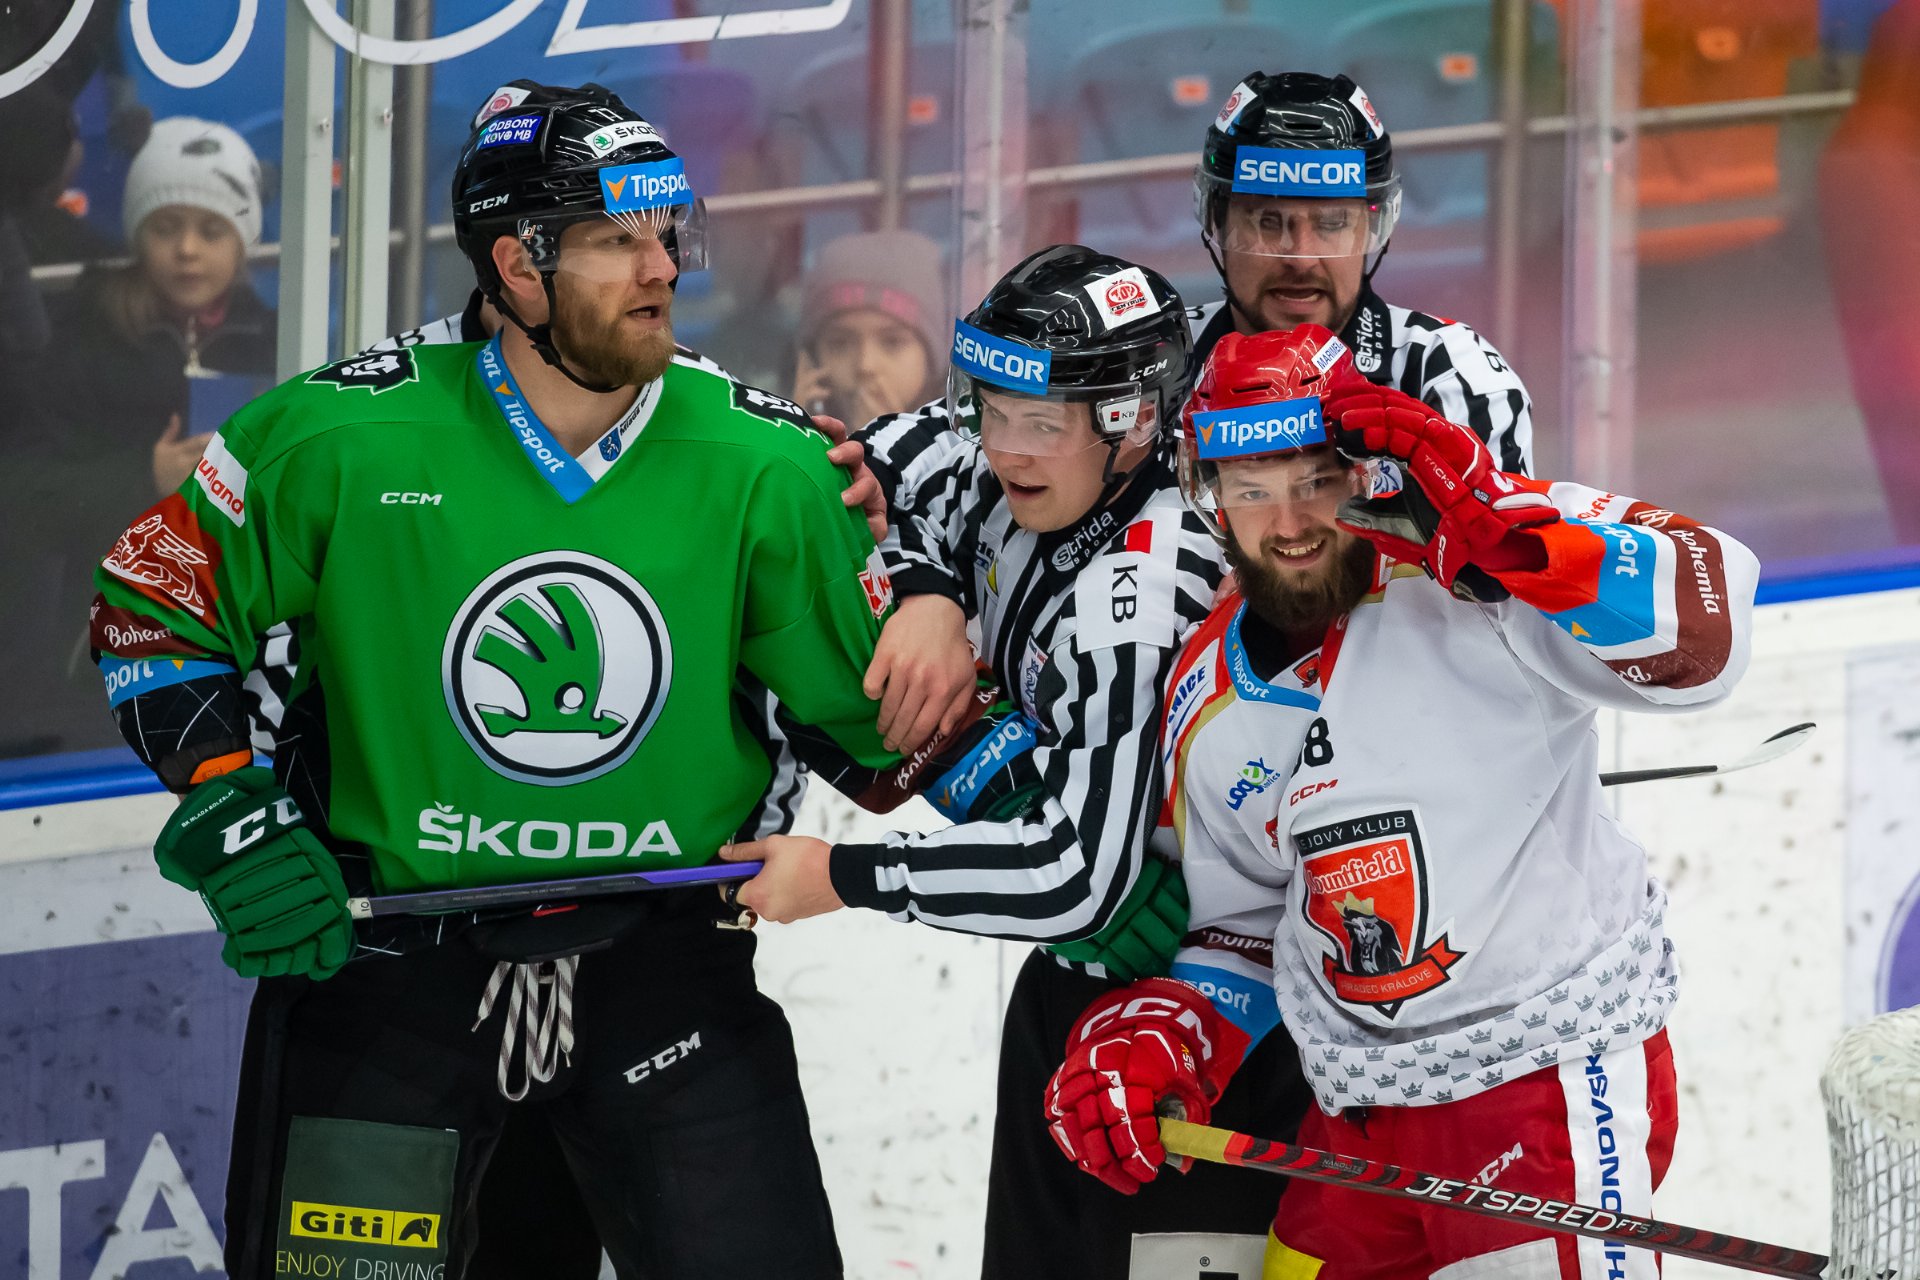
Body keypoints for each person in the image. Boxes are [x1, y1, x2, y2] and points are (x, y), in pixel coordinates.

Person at [88, 85, 907, 1280]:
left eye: (668, 231)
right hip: (386, 981)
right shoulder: (338, 434)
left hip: (667, 974)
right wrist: (227, 801)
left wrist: (946, 611)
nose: (662, 267)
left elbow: (890, 732)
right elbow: (148, 598)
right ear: (518, 264)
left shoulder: (770, 461)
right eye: (617, 239)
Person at [1044, 324, 1759, 1280]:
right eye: (1251, 490)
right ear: (1210, 496)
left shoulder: (1477, 562)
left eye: (1314, 480)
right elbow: (1249, 923)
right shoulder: (1205, 692)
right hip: (1360, 1124)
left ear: (1361, 468)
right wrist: (1177, 1030)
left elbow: (1711, 634)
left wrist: (1515, 537)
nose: (1289, 522)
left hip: (1540, 1092)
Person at [722, 244, 1317, 1278]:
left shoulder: (1144, 592)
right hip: (1067, 996)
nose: (1004, 447)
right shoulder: (1009, 470)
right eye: (992, 407)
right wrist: (926, 589)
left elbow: (1081, 877)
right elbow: (853, 464)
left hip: (1207, 1017)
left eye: (1041, 422)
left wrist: (843, 876)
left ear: (1133, 421)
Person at [1190, 71, 1533, 475]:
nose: (1301, 259)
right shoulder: (1158, 359)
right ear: (1215, 219)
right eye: (1267, 221)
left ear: (1375, 228)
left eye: (1333, 223)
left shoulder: (1448, 376)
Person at [790, 228, 948, 428]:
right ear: (812, 360)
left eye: (892, 342)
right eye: (839, 344)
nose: (865, 366)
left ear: (931, 359)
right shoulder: (781, 433)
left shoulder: (966, 441)